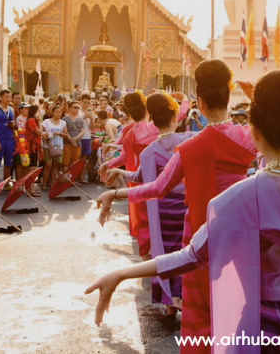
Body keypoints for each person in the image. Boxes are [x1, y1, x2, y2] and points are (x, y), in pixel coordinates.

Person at [86, 71, 280, 352]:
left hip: (265, 320)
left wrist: (122, 273)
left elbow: (192, 255)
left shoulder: (237, 199)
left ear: (254, 132)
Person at [97, 60, 256, 350]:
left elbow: (156, 188)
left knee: (204, 311)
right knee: (239, 305)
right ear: (228, 94)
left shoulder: (191, 147)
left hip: (199, 231)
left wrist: (115, 195)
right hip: (243, 232)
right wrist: (257, 100)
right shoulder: (248, 138)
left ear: (201, 101)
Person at [106, 92, 194, 315]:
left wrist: (119, 170)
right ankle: (182, 296)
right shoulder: (189, 140)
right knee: (185, 251)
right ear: (175, 117)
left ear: (153, 119)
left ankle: (169, 302)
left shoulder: (148, 151)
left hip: (161, 209)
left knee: (164, 253)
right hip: (185, 207)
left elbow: (141, 177)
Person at [99, 91, 189, 258]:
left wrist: (110, 165)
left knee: (147, 224)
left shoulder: (133, 135)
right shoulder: (188, 140)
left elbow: (126, 160)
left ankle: (149, 261)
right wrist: (184, 98)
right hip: (180, 198)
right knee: (180, 243)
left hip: (148, 186)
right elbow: (183, 111)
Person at [41, 105, 68, 189]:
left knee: (55, 165)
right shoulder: (46, 121)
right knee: (48, 164)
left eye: (60, 112)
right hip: (47, 145)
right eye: (57, 112)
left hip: (58, 146)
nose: (58, 114)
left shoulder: (63, 123)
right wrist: (45, 134)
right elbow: (40, 131)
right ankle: (44, 183)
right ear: (52, 112)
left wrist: (59, 133)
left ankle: (53, 183)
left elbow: (65, 135)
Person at [0, 89, 16, 183]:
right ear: (1, 97)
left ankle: (6, 183)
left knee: (8, 163)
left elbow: (13, 124)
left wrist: (13, 125)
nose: (8, 98)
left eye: (9, 96)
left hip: (9, 139)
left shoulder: (12, 110)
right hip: (0, 138)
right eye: (6, 96)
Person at [62, 100, 85, 171]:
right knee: (66, 163)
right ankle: (65, 180)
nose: (77, 109)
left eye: (78, 108)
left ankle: (72, 180)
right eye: (75, 108)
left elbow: (82, 130)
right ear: (69, 108)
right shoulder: (64, 119)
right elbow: (65, 131)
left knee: (74, 163)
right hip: (67, 143)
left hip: (77, 143)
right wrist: (71, 140)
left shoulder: (80, 119)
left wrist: (75, 139)